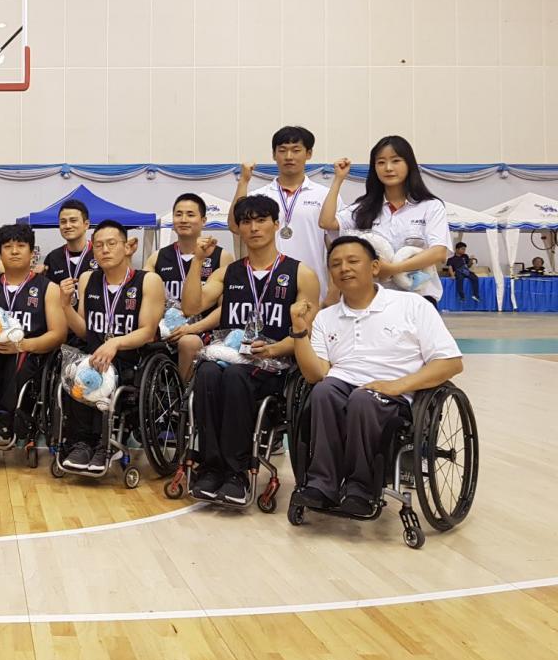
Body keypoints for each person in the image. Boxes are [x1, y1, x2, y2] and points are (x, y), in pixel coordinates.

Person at [289, 236, 463, 516]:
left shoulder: (412, 306)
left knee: (362, 399)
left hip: (395, 396)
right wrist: (299, 330)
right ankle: (322, 484)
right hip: (343, 387)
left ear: (374, 267)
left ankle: (361, 488)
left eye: (352, 261)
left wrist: (397, 386)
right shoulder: (325, 317)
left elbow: (450, 362)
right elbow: (315, 374)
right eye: (335, 264)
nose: (344, 268)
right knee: (322, 391)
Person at [182, 195, 321, 504]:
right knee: (205, 372)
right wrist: (197, 262)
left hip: (272, 368)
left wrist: (272, 351)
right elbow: (191, 306)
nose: (254, 227)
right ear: (239, 228)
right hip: (229, 359)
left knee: (234, 376)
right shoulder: (227, 272)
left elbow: (305, 334)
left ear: (276, 223)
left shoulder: (301, 274)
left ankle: (236, 473)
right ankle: (210, 469)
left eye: (261, 220)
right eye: (246, 221)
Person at [60, 220, 163, 473]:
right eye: (98, 245)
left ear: (129, 247)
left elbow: (148, 332)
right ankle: (81, 444)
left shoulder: (148, 281)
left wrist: (115, 342)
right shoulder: (87, 279)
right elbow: (84, 330)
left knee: (103, 374)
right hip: (93, 357)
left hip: (132, 359)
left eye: (111, 243)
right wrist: (64, 305)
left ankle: (103, 445)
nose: (104, 250)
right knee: (75, 373)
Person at [0, 223, 67, 444]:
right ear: (0, 252)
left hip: (28, 350)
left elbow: (59, 334)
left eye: (21, 245)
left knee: (19, 359)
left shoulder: (48, 288)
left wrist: (24, 345)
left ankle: (6, 420)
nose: (14, 251)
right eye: (7, 246)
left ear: (31, 252)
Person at [319, 135, 451, 308]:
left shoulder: (430, 206)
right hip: (372, 301)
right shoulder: (364, 208)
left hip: (419, 300)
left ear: (409, 164)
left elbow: (439, 253)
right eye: (381, 162)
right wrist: (338, 179)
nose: (388, 168)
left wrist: (392, 269)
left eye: (396, 161)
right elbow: (326, 222)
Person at [231, 126, 331, 302]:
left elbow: (336, 247)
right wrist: (244, 182)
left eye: (296, 150)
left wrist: (333, 293)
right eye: (282, 150)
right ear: (273, 154)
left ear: (308, 153)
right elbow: (234, 226)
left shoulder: (325, 196)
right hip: (265, 290)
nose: (289, 156)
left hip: (313, 290)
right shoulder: (259, 196)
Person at [144, 193, 235, 383]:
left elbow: (225, 307)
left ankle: (181, 401)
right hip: (166, 330)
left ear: (203, 220)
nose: (183, 219)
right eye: (178, 214)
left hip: (203, 330)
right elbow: (146, 301)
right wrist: (158, 328)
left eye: (190, 214)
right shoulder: (157, 257)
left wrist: (192, 328)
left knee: (189, 341)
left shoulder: (222, 257)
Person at [38, 198, 99, 308]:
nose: (67, 226)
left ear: (86, 224)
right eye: (63, 222)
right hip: (62, 319)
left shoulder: (99, 254)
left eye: (73, 220)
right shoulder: (53, 257)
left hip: (93, 321)